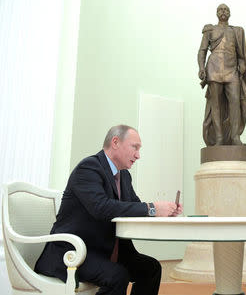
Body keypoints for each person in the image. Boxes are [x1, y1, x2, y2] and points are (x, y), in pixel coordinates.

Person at [35, 125, 183, 295]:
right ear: (115, 142)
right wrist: (152, 209)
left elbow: (134, 206)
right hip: (76, 253)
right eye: (135, 147)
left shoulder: (125, 175)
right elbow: (102, 208)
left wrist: (164, 211)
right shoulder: (89, 168)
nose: (138, 155)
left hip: (106, 250)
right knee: (117, 276)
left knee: (151, 269)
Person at [198, 3, 246, 146]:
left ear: (229, 13)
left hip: (232, 70)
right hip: (214, 69)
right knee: (216, 105)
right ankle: (219, 137)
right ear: (217, 13)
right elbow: (202, 50)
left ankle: (235, 137)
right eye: (220, 10)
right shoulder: (210, 30)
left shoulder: (236, 31)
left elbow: (241, 54)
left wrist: (242, 64)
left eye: (226, 10)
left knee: (235, 101)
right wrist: (201, 67)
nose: (223, 11)